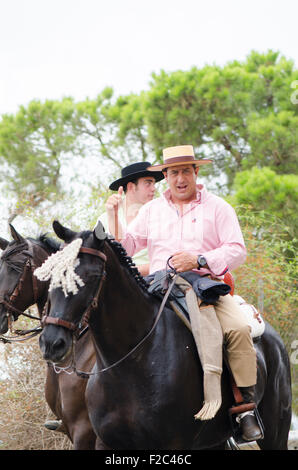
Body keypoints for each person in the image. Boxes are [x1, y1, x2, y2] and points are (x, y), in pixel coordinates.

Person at [106, 145, 263, 442]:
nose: (180, 178)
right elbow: (124, 249)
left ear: (196, 172)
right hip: (158, 287)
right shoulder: (152, 211)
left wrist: (200, 259)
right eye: (174, 172)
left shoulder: (218, 207)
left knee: (238, 329)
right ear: (166, 175)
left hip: (206, 287)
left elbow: (237, 250)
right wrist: (112, 214)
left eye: (185, 171)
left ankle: (244, 409)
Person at [99, 161, 164, 276]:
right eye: (148, 183)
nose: (154, 189)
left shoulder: (161, 217)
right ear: (131, 187)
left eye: (154, 184)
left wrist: (130, 271)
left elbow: (168, 260)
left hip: (155, 283)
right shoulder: (104, 220)